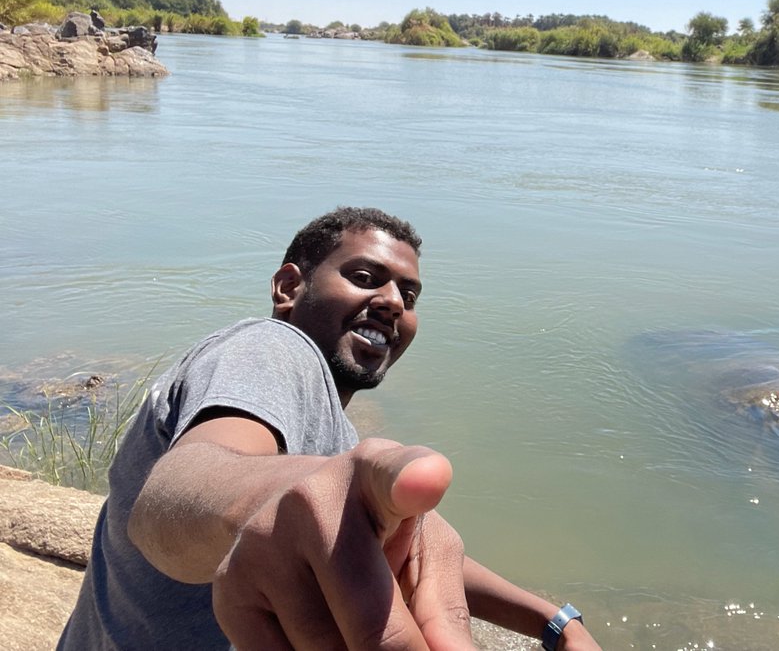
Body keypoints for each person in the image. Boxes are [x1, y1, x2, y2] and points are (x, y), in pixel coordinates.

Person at [59, 206, 600, 651]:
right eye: (365, 278)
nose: (393, 303)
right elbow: (179, 491)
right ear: (288, 287)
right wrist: (273, 502)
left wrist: (552, 622)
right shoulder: (270, 349)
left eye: (409, 296)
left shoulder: (335, 433)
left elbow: (407, 549)